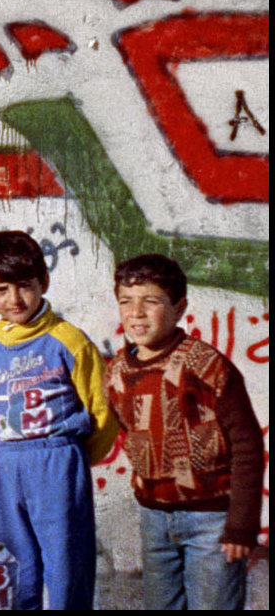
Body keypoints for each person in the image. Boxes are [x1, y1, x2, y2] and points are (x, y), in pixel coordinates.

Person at [0, 229, 117, 610]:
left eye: (24, 286)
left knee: (66, 562)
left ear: (43, 283)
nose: (14, 299)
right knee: (11, 565)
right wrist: (7, 447)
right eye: (1, 290)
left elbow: (102, 410)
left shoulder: (68, 340)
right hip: (3, 464)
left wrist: (72, 459)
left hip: (56, 461)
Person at [105, 253, 264, 610]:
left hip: (212, 521)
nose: (136, 313)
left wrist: (241, 526)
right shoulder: (116, 372)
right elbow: (127, 433)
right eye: (126, 301)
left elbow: (247, 446)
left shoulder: (206, 366)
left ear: (179, 308)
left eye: (150, 301)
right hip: (153, 519)